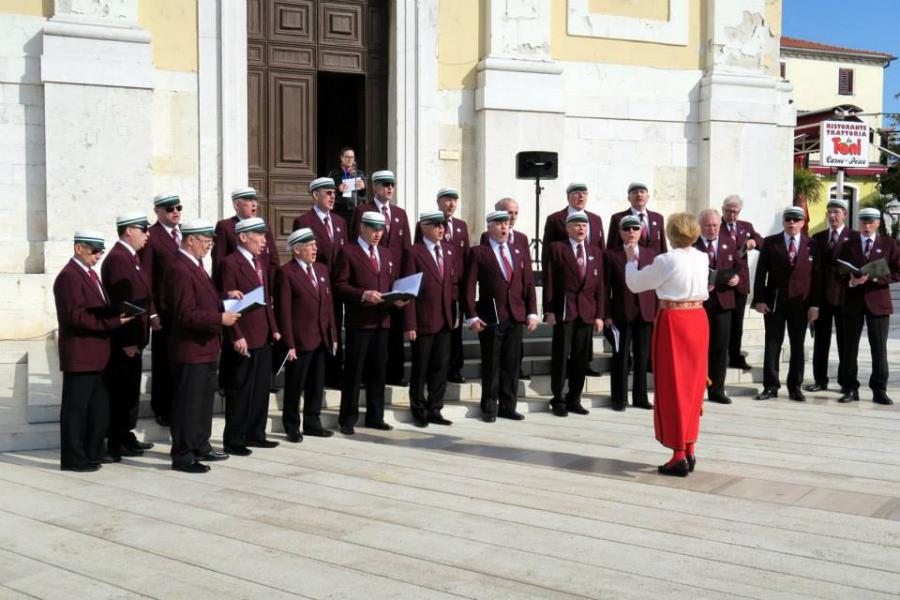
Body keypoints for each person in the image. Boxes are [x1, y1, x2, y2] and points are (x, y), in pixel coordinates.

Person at [624, 212, 709, 477]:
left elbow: (635, 284)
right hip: (698, 318)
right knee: (693, 385)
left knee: (673, 386)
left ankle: (678, 454)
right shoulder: (702, 256)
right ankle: (690, 446)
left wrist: (631, 260)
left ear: (671, 234)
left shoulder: (667, 259)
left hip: (674, 319)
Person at [54, 230, 134, 471]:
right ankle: (73, 458)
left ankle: (93, 452)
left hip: (98, 355)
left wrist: (116, 312)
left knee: (97, 409)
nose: (98, 256)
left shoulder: (90, 274)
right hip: (81, 354)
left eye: (101, 251)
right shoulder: (69, 277)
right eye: (94, 251)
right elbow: (75, 316)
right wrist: (113, 322)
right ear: (78, 248)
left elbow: (95, 308)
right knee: (76, 411)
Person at [164, 219, 239, 473]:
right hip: (190, 350)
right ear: (190, 239)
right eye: (206, 241)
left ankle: (200, 445)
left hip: (205, 348)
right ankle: (183, 455)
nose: (209, 246)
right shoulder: (179, 268)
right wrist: (219, 319)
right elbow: (184, 314)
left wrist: (224, 297)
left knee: (203, 403)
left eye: (211, 242)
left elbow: (202, 299)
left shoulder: (195, 265)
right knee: (188, 405)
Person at [334, 211, 406, 434]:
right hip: (360, 323)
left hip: (382, 321)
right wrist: (363, 294)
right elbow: (339, 285)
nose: (378, 234)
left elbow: (391, 282)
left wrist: (399, 296)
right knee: (354, 372)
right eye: (374, 229)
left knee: (378, 371)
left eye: (381, 230)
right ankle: (348, 418)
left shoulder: (385, 253)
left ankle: (376, 416)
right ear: (362, 228)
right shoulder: (348, 251)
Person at [464, 210, 538, 422]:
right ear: (489, 227)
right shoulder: (479, 252)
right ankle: (489, 407)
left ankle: (508, 406)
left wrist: (532, 312)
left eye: (506, 223)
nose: (504, 227)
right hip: (491, 316)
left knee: (511, 364)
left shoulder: (518, 251)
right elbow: (469, 287)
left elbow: (528, 283)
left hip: (515, 315)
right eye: (499, 223)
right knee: (491, 364)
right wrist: (471, 316)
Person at [217, 217, 281, 456]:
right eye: (259, 235)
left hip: (262, 334)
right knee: (240, 390)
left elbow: (266, 299)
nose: (265, 240)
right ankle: (234, 439)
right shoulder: (230, 263)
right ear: (243, 237)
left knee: (261, 388)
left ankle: (256, 433)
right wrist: (235, 335)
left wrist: (273, 327)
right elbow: (228, 302)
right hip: (243, 335)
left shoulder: (260, 262)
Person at [101, 213, 155, 459]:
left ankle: (125, 435)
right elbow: (122, 303)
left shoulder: (130, 257)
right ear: (128, 231)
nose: (147, 234)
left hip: (136, 337)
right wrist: (128, 341)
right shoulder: (118, 259)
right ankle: (116, 439)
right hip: (126, 340)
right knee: (121, 392)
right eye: (143, 229)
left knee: (130, 391)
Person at [275, 228, 337, 441]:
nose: (315, 249)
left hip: (321, 338)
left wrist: (333, 335)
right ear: (297, 250)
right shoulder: (286, 273)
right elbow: (283, 311)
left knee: (316, 385)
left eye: (315, 245)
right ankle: (292, 425)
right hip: (300, 341)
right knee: (295, 385)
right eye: (310, 246)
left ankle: (313, 422)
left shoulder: (321, 269)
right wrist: (288, 343)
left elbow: (328, 305)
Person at [351, 170, 412, 386]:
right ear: (375, 187)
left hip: (394, 280)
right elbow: (356, 243)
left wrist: (406, 281)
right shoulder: (363, 210)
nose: (389, 188)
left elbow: (406, 249)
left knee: (394, 328)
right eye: (385, 184)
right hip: (371, 277)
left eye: (392, 184)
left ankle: (396, 373)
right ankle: (368, 375)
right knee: (372, 331)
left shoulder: (400, 213)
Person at [753, 206, 820, 402]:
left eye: (796, 220)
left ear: (802, 223)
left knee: (797, 345)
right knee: (772, 344)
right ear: (783, 222)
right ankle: (770, 386)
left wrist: (815, 305)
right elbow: (761, 273)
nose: (792, 223)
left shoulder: (811, 245)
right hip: (775, 302)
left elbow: (817, 277)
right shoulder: (771, 242)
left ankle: (795, 387)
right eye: (788, 219)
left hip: (800, 302)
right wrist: (759, 299)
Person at [542, 211, 604, 417]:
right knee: (561, 356)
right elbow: (550, 281)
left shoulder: (594, 251)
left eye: (584, 226)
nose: (581, 229)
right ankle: (558, 398)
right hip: (564, 310)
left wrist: (599, 315)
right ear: (568, 228)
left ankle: (574, 398)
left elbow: (599, 286)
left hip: (586, 312)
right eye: (576, 225)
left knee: (581, 358)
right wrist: (549, 310)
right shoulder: (557, 248)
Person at [837, 207, 900, 405]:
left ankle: (879, 390)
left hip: (878, 301)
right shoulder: (848, 245)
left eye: (870, 222)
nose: (866, 226)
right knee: (849, 347)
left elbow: (898, 271)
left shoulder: (889, 244)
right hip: (853, 302)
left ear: (878, 223)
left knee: (879, 348)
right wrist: (851, 281)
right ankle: (850, 388)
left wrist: (874, 277)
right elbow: (839, 272)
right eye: (863, 222)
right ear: (858, 223)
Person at [404, 211, 460, 427]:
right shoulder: (413, 252)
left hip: (445, 318)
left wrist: (454, 313)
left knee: (440, 367)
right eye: (436, 225)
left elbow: (452, 284)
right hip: (423, 320)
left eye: (443, 225)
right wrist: (410, 323)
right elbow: (409, 291)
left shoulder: (448, 250)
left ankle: (435, 408)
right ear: (424, 227)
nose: (441, 229)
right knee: (421, 368)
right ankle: (418, 408)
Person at [293, 177, 349, 388]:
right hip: (315, 284)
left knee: (334, 327)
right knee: (317, 326)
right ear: (316, 195)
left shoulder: (340, 222)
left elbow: (344, 254)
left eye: (334, 193)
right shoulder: (304, 221)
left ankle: (335, 372)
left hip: (337, 285)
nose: (332, 197)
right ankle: (317, 374)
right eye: (328, 193)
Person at [415, 187, 471, 384]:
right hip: (433, 287)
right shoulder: (426, 224)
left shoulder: (461, 226)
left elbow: (466, 257)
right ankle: (434, 370)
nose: (452, 204)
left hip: (455, 287)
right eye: (447, 199)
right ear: (439, 202)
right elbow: (419, 253)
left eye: (455, 200)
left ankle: (454, 369)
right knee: (437, 330)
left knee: (455, 330)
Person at [605, 215, 657, 411]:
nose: (631, 232)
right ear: (620, 232)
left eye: (635, 228)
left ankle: (640, 397)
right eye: (626, 229)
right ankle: (619, 398)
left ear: (641, 231)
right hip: (621, 313)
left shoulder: (651, 254)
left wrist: (657, 310)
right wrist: (606, 314)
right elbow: (605, 287)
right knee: (620, 356)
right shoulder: (611, 255)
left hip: (645, 312)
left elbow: (656, 283)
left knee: (642, 357)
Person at [479, 197, 533, 380]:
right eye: (509, 212)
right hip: (496, 307)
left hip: (516, 303)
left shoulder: (521, 239)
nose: (512, 217)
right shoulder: (487, 236)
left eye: (515, 213)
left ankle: (517, 370)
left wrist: (530, 308)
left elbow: (526, 273)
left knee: (514, 349)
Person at [141, 191, 183, 427]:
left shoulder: (185, 233)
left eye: (178, 208)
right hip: (164, 310)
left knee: (180, 359)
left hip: (184, 308)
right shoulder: (152, 236)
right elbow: (146, 278)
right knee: (163, 361)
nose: (175, 212)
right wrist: (152, 311)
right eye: (169, 209)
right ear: (157, 211)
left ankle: (178, 404)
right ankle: (162, 407)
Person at [694, 209, 741, 405]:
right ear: (700, 226)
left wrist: (737, 278)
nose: (712, 229)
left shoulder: (729, 242)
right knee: (698, 349)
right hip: (700, 305)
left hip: (723, 303)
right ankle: (696, 390)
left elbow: (739, 266)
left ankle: (717, 390)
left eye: (715, 225)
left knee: (720, 348)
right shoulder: (693, 246)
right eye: (707, 225)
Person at [806, 198, 852, 394]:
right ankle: (820, 380)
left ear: (845, 215)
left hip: (845, 298)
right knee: (821, 342)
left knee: (845, 343)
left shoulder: (854, 237)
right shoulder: (818, 238)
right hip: (822, 298)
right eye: (830, 212)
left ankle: (846, 382)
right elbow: (813, 271)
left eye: (836, 212)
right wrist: (813, 303)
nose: (832, 216)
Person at [720, 195, 764, 370]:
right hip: (722, 284)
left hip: (741, 283)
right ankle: (720, 357)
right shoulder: (716, 226)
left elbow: (762, 242)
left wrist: (754, 241)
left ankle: (735, 356)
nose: (732, 215)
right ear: (723, 210)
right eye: (729, 211)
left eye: (735, 212)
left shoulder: (746, 227)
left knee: (737, 324)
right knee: (722, 325)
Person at [212, 187, 281, 285]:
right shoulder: (225, 226)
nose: (254, 204)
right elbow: (218, 262)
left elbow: (273, 259)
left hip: (263, 284)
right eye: (249, 200)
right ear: (236, 205)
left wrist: (273, 287)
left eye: (255, 200)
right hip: (240, 286)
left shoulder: (263, 225)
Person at [607, 182, 667, 254]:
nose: (639, 194)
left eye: (642, 192)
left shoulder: (658, 218)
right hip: (630, 259)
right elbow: (612, 247)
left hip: (655, 260)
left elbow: (663, 246)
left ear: (647, 197)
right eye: (635, 192)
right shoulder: (618, 218)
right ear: (629, 198)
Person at [328, 146, 367, 224]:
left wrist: (363, 187)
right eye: (347, 157)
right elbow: (327, 191)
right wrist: (338, 189)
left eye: (352, 157)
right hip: (339, 210)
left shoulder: (359, 173)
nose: (350, 160)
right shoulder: (334, 174)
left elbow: (364, 195)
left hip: (356, 209)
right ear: (341, 158)